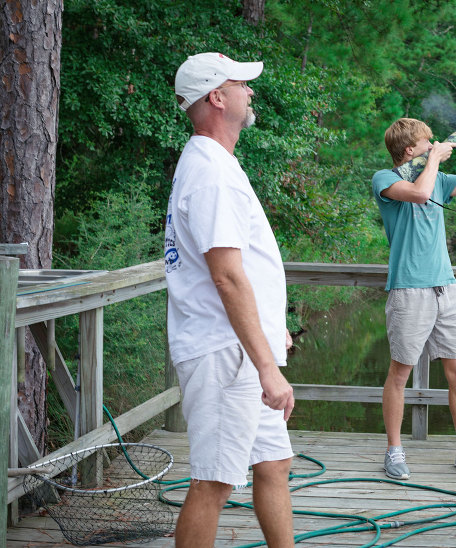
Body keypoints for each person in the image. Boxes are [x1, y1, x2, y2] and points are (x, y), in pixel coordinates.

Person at [164, 52, 295, 548]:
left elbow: (239, 271)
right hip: (226, 354)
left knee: (273, 462)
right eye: (242, 84)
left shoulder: (215, 163)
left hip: (240, 347)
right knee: (214, 482)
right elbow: (226, 277)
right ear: (217, 98)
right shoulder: (211, 173)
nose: (251, 91)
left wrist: (269, 329)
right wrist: (267, 367)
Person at [371, 116, 456, 480]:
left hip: (445, 288)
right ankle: (394, 450)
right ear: (409, 151)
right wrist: (434, 158)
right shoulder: (385, 179)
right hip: (409, 289)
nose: (434, 145)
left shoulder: (438, 179)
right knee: (400, 373)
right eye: (427, 142)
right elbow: (419, 193)